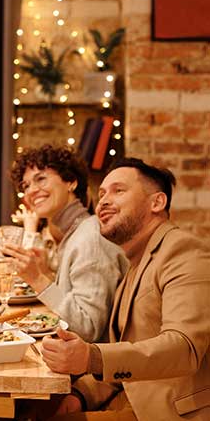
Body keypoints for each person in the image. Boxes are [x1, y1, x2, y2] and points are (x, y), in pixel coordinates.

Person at [41, 158, 210, 420]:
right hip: (129, 402)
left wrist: (91, 358)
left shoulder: (184, 251)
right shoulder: (136, 261)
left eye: (118, 190)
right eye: (102, 194)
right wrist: (80, 395)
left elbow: (183, 348)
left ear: (157, 202)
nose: (104, 201)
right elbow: (123, 363)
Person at [2, 145, 127, 342]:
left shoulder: (90, 238)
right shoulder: (75, 232)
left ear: (71, 182)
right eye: (25, 186)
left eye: (41, 179)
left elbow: (88, 327)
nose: (32, 191)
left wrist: (38, 279)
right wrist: (45, 274)